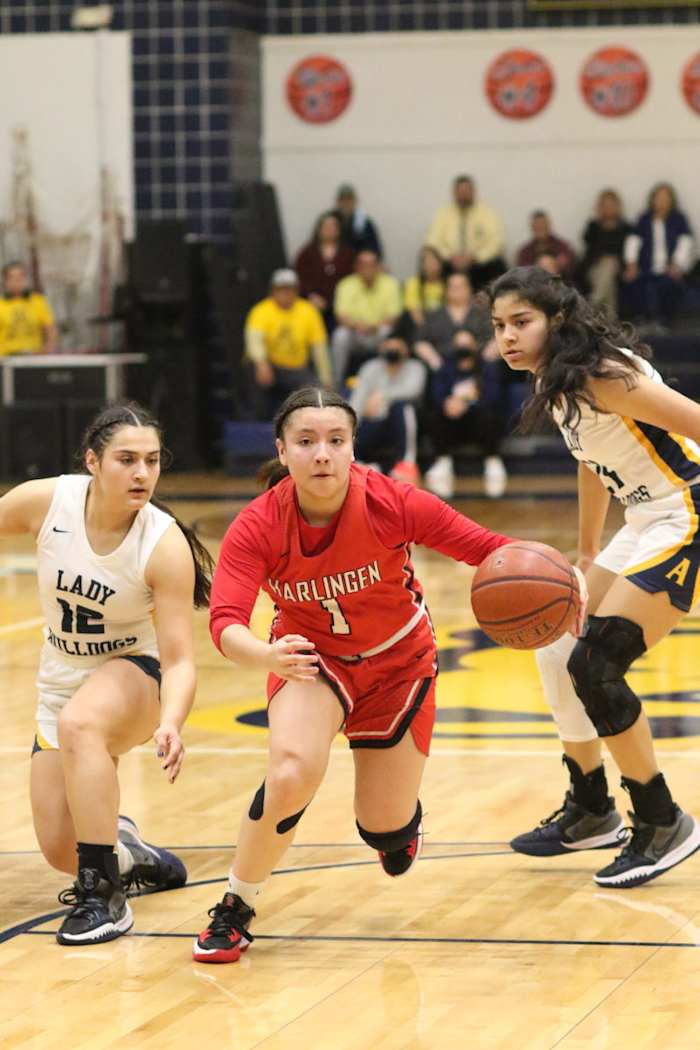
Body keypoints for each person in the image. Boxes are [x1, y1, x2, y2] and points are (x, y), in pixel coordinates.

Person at [192, 386, 520, 964]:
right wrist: (265, 656)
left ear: (352, 450)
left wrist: (563, 574)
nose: (322, 453)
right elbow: (224, 623)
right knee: (291, 772)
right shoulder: (257, 525)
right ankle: (235, 907)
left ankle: (399, 830)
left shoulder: (394, 502)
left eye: (335, 441)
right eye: (307, 441)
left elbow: (488, 548)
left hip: (400, 661)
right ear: (283, 450)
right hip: (309, 661)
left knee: (383, 828)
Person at [488, 266, 700, 887]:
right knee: (556, 640)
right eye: (499, 325)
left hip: (687, 508)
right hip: (645, 514)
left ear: (557, 320)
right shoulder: (559, 380)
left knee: (596, 664)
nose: (507, 336)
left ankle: (662, 820)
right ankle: (591, 807)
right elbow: (592, 459)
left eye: (520, 322)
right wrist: (586, 551)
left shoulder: (608, 375)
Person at [0, 401, 214, 943]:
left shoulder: (162, 543)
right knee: (57, 848)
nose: (142, 472)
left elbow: (181, 658)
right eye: (126, 459)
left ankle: (105, 898)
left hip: (136, 678)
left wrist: (173, 721)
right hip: (61, 680)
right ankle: (126, 852)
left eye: (152, 460)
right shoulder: (47, 502)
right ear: (92, 461)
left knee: (81, 722)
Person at [244, 269, 331, 416]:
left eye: (289, 289)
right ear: (272, 291)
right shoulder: (260, 311)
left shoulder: (309, 311)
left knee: (315, 391)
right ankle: (257, 423)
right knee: (255, 370)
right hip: (269, 365)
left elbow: (319, 348)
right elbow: (254, 341)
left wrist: (326, 379)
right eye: (280, 289)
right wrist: (261, 362)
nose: (285, 293)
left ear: (296, 290)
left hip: (296, 369)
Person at [350, 327, 427, 484]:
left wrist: (382, 397)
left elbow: (412, 391)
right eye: (389, 347)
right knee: (352, 419)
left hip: (397, 424)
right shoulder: (370, 367)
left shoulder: (416, 368)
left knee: (403, 407)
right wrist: (355, 419)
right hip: (371, 422)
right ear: (382, 349)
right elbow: (357, 400)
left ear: (406, 350)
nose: (393, 350)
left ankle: (406, 463)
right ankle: (359, 462)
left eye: (397, 347)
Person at [622, 182, 695, 329]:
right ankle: (645, 321)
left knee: (665, 285)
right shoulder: (644, 219)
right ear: (652, 200)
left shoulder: (678, 219)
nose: (661, 201)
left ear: (671, 201)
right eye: (658, 197)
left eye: (665, 198)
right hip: (646, 269)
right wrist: (631, 264)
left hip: (669, 270)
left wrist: (677, 265)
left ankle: (660, 322)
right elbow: (633, 241)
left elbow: (686, 243)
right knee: (640, 284)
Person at [331, 251, 402, 386]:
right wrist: (357, 326)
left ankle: (386, 382)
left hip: (378, 333)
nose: (368, 269)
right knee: (340, 335)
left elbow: (395, 315)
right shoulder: (346, 284)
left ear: (378, 266)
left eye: (372, 265)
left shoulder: (390, 283)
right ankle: (336, 383)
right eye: (364, 265)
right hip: (355, 333)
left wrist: (374, 326)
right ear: (356, 267)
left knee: (386, 331)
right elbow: (341, 316)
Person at [426, 175, 506, 289]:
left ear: (473, 191)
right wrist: (450, 256)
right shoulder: (444, 213)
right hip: (450, 263)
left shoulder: (487, 212)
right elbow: (433, 240)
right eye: (460, 191)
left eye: (467, 190)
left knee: (497, 265)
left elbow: (497, 241)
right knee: (432, 261)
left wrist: (475, 257)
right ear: (454, 193)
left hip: (479, 263)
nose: (463, 194)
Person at [294, 212, 355, 333]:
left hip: (343, 305)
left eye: (333, 226)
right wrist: (310, 295)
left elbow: (354, 280)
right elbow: (299, 279)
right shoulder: (306, 253)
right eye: (326, 226)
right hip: (315, 304)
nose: (329, 230)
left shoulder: (348, 253)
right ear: (318, 229)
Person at [579, 189, 632, 316]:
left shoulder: (626, 228)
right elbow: (590, 250)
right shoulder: (593, 227)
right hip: (594, 269)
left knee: (609, 265)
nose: (608, 208)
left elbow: (626, 253)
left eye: (611, 205)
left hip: (617, 268)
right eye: (605, 205)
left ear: (618, 207)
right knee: (608, 283)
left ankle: (594, 302)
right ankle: (611, 325)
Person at [0, 260, 57, 355]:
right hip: (6, 359)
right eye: (12, 278)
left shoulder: (38, 301)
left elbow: (50, 329)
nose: (17, 281)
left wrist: (48, 347)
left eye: (20, 277)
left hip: (33, 358)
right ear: (5, 281)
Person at [515, 211, 576, 281]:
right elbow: (520, 273)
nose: (540, 227)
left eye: (543, 224)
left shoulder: (563, 247)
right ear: (532, 227)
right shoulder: (525, 251)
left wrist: (556, 265)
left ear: (549, 225)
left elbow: (570, 266)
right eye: (537, 225)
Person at [333, 184, 383, 257]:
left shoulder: (365, 222)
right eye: (342, 199)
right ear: (337, 201)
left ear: (355, 201)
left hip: (358, 264)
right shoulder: (329, 221)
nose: (346, 203)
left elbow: (375, 250)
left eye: (349, 199)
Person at [403, 247, 446, 329]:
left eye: (434, 261)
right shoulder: (413, 283)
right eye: (427, 262)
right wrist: (427, 330)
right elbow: (414, 311)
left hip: (446, 326)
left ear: (440, 263)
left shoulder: (448, 282)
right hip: (421, 326)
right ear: (422, 266)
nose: (431, 265)